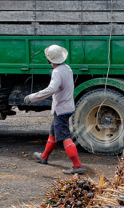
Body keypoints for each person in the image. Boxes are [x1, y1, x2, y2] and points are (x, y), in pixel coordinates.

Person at [24, 45, 84, 174]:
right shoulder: (67, 68)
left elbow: (51, 89)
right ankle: (44, 157)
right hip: (67, 106)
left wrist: (32, 97)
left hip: (61, 109)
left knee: (65, 137)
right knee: (53, 133)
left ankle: (78, 166)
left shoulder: (57, 72)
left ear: (49, 60)